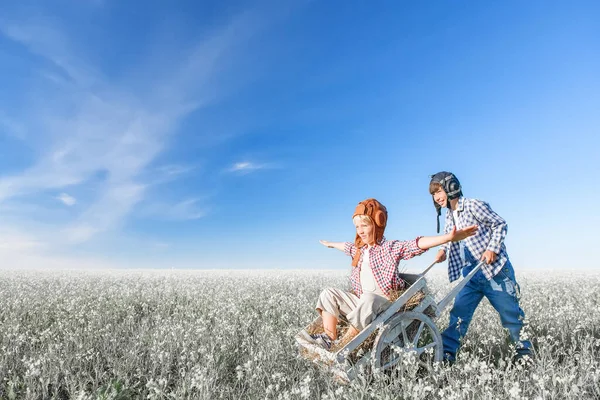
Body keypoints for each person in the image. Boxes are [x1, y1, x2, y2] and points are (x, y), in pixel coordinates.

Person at [303, 198, 477, 351]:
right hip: (362, 303)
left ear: (378, 224)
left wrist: (446, 238)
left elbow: (416, 244)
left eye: (365, 225)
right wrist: (331, 244)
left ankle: (342, 346)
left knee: (369, 299)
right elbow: (346, 246)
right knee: (328, 294)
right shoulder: (360, 250)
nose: (361, 231)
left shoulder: (389, 248)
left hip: (384, 307)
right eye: (357, 227)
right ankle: (328, 339)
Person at [429, 171, 533, 364]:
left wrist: (492, 249)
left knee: (510, 315)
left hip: (495, 272)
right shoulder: (449, 216)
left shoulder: (473, 205)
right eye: (434, 194)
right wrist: (443, 251)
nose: (437, 197)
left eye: (439, 191)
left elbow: (500, 224)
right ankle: (445, 357)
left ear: (452, 187)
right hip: (471, 275)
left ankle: (525, 357)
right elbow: (449, 237)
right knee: (458, 316)